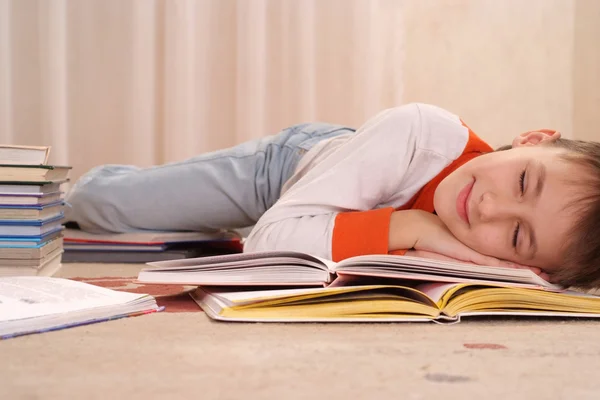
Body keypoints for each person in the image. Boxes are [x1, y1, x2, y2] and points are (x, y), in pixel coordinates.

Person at [65, 103, 600, 288]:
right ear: (532, 139)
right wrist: (413, 229)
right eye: (524, 181)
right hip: (286, 170)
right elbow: (270, 244)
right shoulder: (422, 132)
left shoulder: (506, 258)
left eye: (515, 234)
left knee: (197, 241)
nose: (489, 206)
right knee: (98, 207)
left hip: (323, 216)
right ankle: (103, 181)